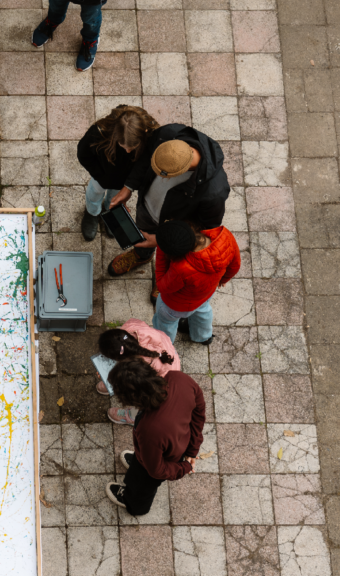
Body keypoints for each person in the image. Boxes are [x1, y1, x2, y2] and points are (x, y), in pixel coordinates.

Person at [105, 124, 230, 285]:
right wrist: (129, 186)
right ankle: (142, 255)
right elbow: (146, 159)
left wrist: (160, 240)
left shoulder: (214, 192)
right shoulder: (168, 134)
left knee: (173, 257)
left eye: (161, 174)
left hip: (176, 229)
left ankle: (164, 278)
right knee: (141, 237)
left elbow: (206, 230)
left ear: (180, 172)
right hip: (147, 208)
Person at [105, 361, 205, 517]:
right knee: (142, 463)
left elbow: (157, 470)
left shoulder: (149, 428)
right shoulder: (178, 378)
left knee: (142, 485)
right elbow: (199, 413)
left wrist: (185, 467)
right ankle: (138, 461)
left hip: (160, 460)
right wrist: (192, 450)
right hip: (175, 444)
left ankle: (134, 505)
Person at [76, 105, 159, 241]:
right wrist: (99, 175)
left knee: (115, 198)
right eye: (123, 146)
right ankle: (92, 212)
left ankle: (111, 212)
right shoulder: (98, 132)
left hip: (124, 182)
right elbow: (83, 153)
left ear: (144, 132)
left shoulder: (151, 137)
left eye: (132, 148)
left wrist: (130, 184)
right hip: (101, 177)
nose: (127, 152)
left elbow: (146, 164)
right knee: (94, 192)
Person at [151, 220, 240, 345]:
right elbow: (235, 266)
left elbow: (162, 286)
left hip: (176, 306)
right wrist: (223, 279)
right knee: (203, 311)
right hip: (205, 295)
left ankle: (162, 347)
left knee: (166, 323)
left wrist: (161, 250)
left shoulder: (181, 267)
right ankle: (203, 336)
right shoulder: (224, 236)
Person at [92, 320, 181, 425]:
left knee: (142, 399)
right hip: (167, 354)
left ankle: (131, 416)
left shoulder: (139, 369)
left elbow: (135, 386)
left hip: (163, 380)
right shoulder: (129, 329)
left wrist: (114, 379)